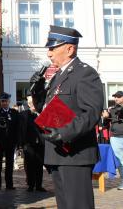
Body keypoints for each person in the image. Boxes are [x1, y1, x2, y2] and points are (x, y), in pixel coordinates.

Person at [30, 25, 103, 209]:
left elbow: (92, 112)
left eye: (53, 48)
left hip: (75, 153)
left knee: (78, 205)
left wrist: (64, 133)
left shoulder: (84, 73)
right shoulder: (57, 76)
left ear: (69, 49)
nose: (49, 54)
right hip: (57, 152)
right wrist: (38, 91)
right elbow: (47, 111)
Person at [0, 92, 20, 190]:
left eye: (6, 101)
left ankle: (9, 185)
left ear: (9, 101)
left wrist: (17, 142)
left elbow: (17, 128)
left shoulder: (14, 112)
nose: (4, 103)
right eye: (2, 101)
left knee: (10, 164)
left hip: (11, 143)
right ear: (0, 102)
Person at [20, 94, 46, 192]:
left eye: (32, 103)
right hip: (29, 145)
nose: (31, 104)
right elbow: (21, 130)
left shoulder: (42, 114)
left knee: (39, 165)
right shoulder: (24, 115)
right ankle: (31, 185)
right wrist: (22, 145)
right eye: (29, 103)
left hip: (40, 144)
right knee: (30, 165)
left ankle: (39, 185)